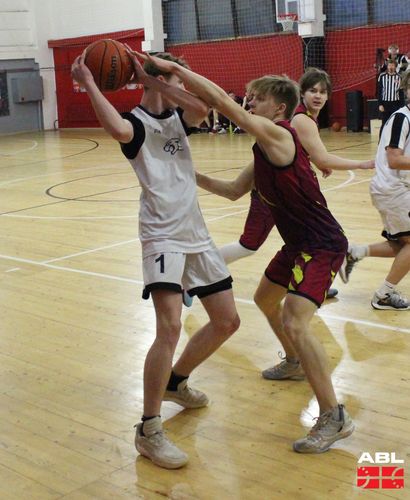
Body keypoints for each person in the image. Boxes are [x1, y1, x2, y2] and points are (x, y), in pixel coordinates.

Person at [139, 53, 355, 453]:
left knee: (295, 320)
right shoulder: (263, 150)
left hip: (322, 244)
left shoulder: (281, 135)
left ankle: (334, 414)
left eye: (257, 99)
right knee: (264, 299)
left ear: (279, 109)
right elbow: (232, 191)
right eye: (249, 97)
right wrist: (183, 172)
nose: (249, 102)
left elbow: (223, 103)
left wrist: (176, 72)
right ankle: (295, 362)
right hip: (297, 244)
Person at [71, 51, 240, 469]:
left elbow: (204, 107)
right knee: (170, 326)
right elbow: (115, 128)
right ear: (151, 79)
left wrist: (162, 79)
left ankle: (176, 382)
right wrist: (89, 82)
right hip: (161, 235)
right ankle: (148, 429)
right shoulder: (136, 124)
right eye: (176, 79)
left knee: (227, 321)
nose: (182, 85)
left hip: (196, 233)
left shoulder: (181, 117)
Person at [196, 68, 374, 327]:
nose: (318, 96)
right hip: (274, 197)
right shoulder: (297, 121)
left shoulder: (296, 123)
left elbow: (313, 156)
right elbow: (319, 157)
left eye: (323, 92)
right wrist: (359, 164)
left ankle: (313, 283)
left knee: (270, 261)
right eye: (313, 90)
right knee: (249, 245)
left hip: (295, 207)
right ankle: (199, 274)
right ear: (301, 94)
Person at [339, 72, 410, 311]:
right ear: (407, 90)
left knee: (402, 245)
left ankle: (355, 252)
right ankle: (383, 295)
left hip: (396, 189)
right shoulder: (402, 118)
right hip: (393, 190)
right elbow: (395, 160)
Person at [377, 59, 404, 136]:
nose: (391, 67)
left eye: (392, 65)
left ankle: (394, 140)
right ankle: (381, 140)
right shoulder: (382, 76)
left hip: (396, 103)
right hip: (385, 103)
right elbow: (379, 91)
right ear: (387, 66)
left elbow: (401, 93)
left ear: (395, 67)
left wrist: (402, 106)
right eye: (389, 65)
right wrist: (380, 104)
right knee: (385, 123)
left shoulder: (399, 77)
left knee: (396, 123)